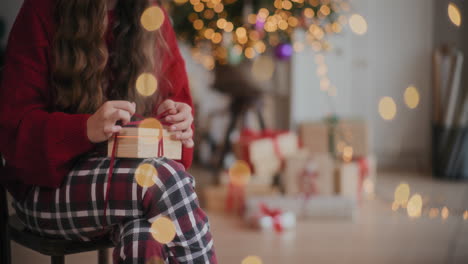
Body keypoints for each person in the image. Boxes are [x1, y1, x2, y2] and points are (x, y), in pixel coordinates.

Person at [0, 0, 217, 263]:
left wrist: (177, 126)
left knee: (144, 239)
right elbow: (13, 135)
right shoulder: (42, 8)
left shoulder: (151, 14)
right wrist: (85, 129)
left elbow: (180, 149)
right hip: (45, 189)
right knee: (163, 179)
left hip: (134, 190)